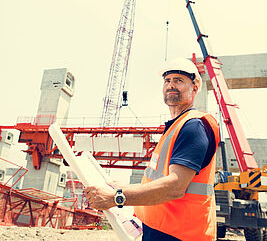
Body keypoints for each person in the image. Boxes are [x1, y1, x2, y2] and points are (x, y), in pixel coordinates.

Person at [85, 57, 220, 241]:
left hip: (182, 235)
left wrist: (116, 197)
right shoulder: (174, 128)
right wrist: (122, 187)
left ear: (195, 87)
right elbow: (157, 180)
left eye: (179, 80)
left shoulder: (193, 126)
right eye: (167, 80)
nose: (171, 85)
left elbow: (175, 186)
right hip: (161, 230)